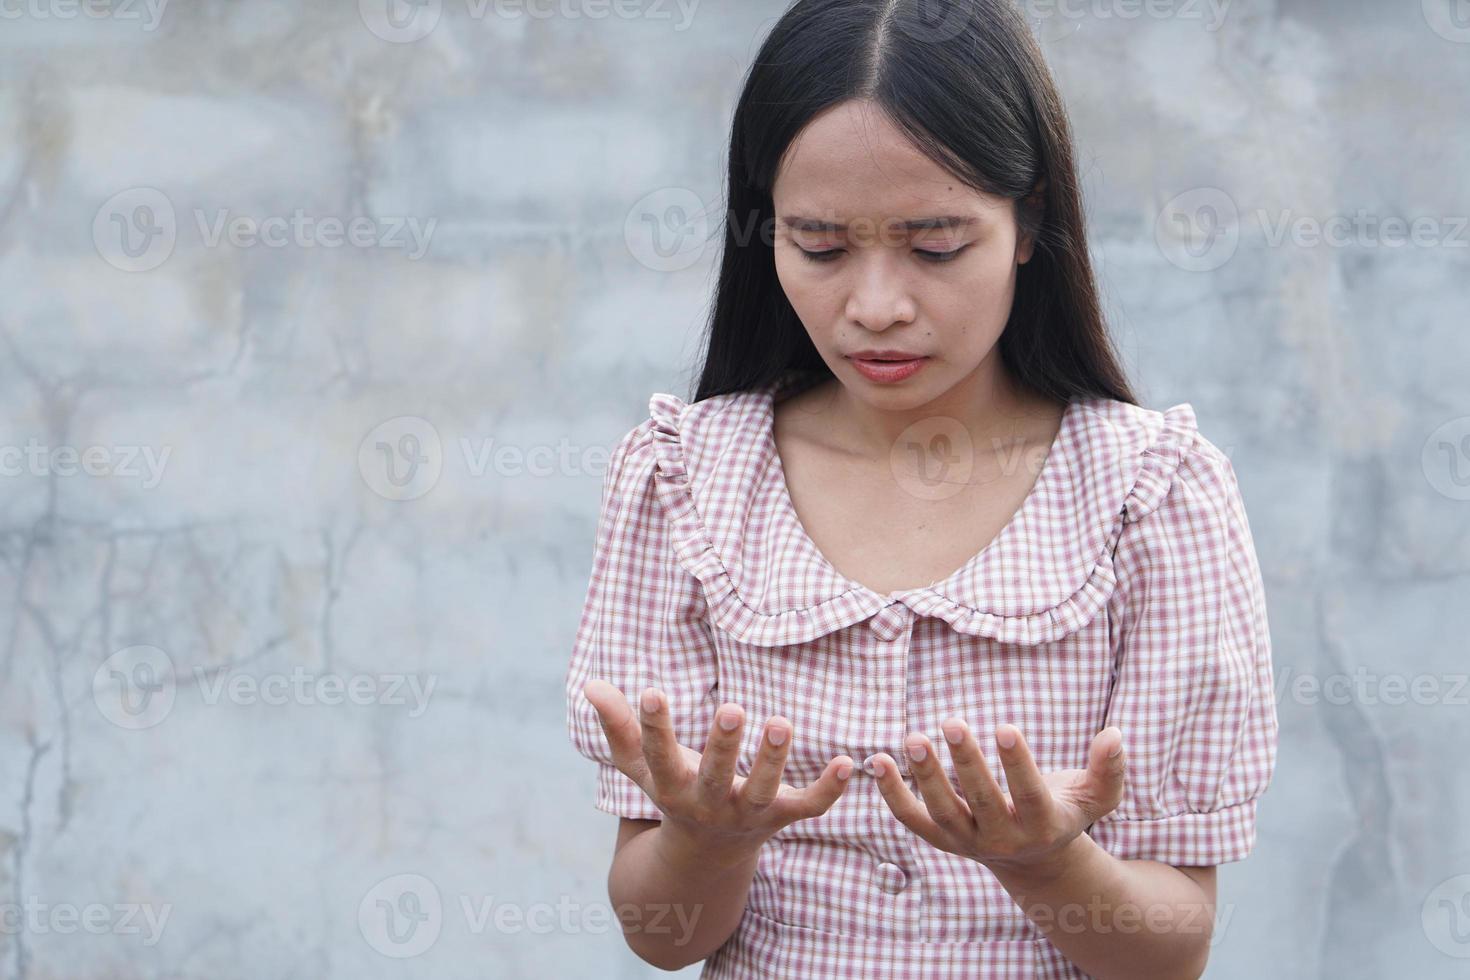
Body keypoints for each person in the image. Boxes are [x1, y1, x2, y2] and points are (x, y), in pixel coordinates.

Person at [564, 1, 1279, 976]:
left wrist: (1046, 862)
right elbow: (660, 934)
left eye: (936, 245)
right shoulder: (685, 482)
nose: (875, 306)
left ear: (1030, 223)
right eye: (818, 245)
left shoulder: (1150, 495)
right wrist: (709, 838)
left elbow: (1170, 951)